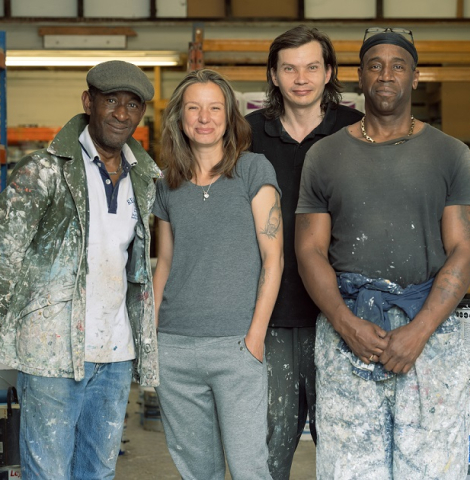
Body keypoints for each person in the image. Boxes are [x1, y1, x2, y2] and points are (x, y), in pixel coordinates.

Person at [295, 26, 470, 479]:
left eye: (399, 65)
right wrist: (345, 323)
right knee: (351, 469)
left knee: (432, 469)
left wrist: (420, 331)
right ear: (359, 76)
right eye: (375, 65)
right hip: (351, 328)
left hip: (429, 330)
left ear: (415, 77)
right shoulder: (324, 155)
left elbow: (465, 249)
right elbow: (309, 249)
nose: (386, 75)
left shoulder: (450, 154)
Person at [0, 60, 161, 479]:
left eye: (133, 104)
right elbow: (5, 256)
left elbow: (136, 270)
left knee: (98, 473)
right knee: (48, 473)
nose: (122, 114)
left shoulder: (144, 178)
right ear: (89, 101)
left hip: (116, 353)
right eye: (111, 101)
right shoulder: (44, 170)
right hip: (52, 353)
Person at [153, 68, 283, 480]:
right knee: (197, 470)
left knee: (249, 468)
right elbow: (166, 264)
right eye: (194, 108)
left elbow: (273, 259)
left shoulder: (253, 170)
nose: (204, 117)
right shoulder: (166, 183)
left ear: (229, 117)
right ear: (180, 117)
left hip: (236, 347)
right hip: (174, 346)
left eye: (214, 108)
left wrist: (255, 338)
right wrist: (150, 334)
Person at [245, 25, 363, 478]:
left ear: (328, 72)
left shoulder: (357, 130)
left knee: (343, 442)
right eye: (289, 68)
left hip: (344, 311)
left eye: (312, 67)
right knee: (269, 442)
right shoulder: (247, 133)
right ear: (273, 76)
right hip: (270, 313)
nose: (301, 78)